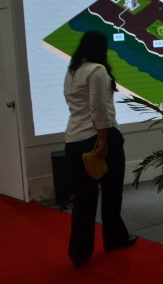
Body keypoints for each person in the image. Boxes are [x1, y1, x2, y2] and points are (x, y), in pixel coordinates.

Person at [64, 30, 136, 268]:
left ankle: (79, 252)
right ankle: (114, 238)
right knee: (111, 193)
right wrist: (104, 138)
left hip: (74, 140)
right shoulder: (97, 70)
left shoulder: (73, 71)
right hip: (98, 138)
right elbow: (99, 107)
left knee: (83, 199)